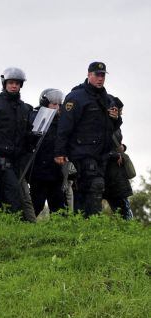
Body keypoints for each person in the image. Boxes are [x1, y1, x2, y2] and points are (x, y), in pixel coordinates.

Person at [55, 62, 122, 217]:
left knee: (85, 192)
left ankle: (82, 226)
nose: (100, 78)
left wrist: (116, 119)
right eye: (97, 75)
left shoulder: (107, 98)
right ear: (89, 74)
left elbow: (113, 127)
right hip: (82, 153)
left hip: (102, 155)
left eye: (103, 75)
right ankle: (93, 225)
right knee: (95, 186)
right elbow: (64, 127)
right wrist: (59, 152)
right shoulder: (76, 97)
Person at [0, 68, 33, 215]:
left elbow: (26, 134)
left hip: (18, 158)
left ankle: (9, 221)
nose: (14, 86)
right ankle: (15, 222)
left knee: (14, 193)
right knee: (11, 191)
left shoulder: (25, 108)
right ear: (4, 84)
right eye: (11, 83)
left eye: (17, 83)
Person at [27, 89, 67, 216]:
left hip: (56, 172)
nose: (57, 107)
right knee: (36, 205)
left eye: (59, 104)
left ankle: (60, 234)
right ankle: (24, 230)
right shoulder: (36, 118)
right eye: (54, 104)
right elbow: (30, 141)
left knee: (60, 210)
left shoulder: (63, 123)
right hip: (39, 172)